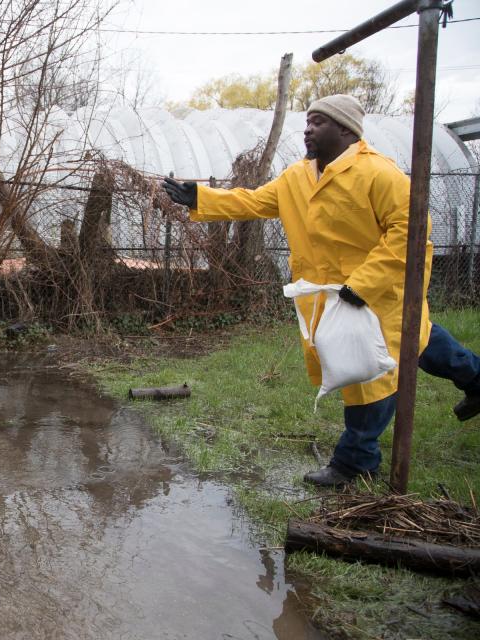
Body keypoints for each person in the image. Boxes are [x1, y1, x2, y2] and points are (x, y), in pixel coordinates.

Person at [161, 94, 480, 487]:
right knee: (421, 343)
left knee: (368, 373)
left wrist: (364, 284)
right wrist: (201, 197)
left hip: (375, 297)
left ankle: (355, 461)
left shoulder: (379, 174)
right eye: (308, 122)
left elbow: (410, 233)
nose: (308, 129)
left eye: (318, 122)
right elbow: (255, 201)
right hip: (330, 296)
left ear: (346, 129)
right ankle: (478, 381)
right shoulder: (297, 177)